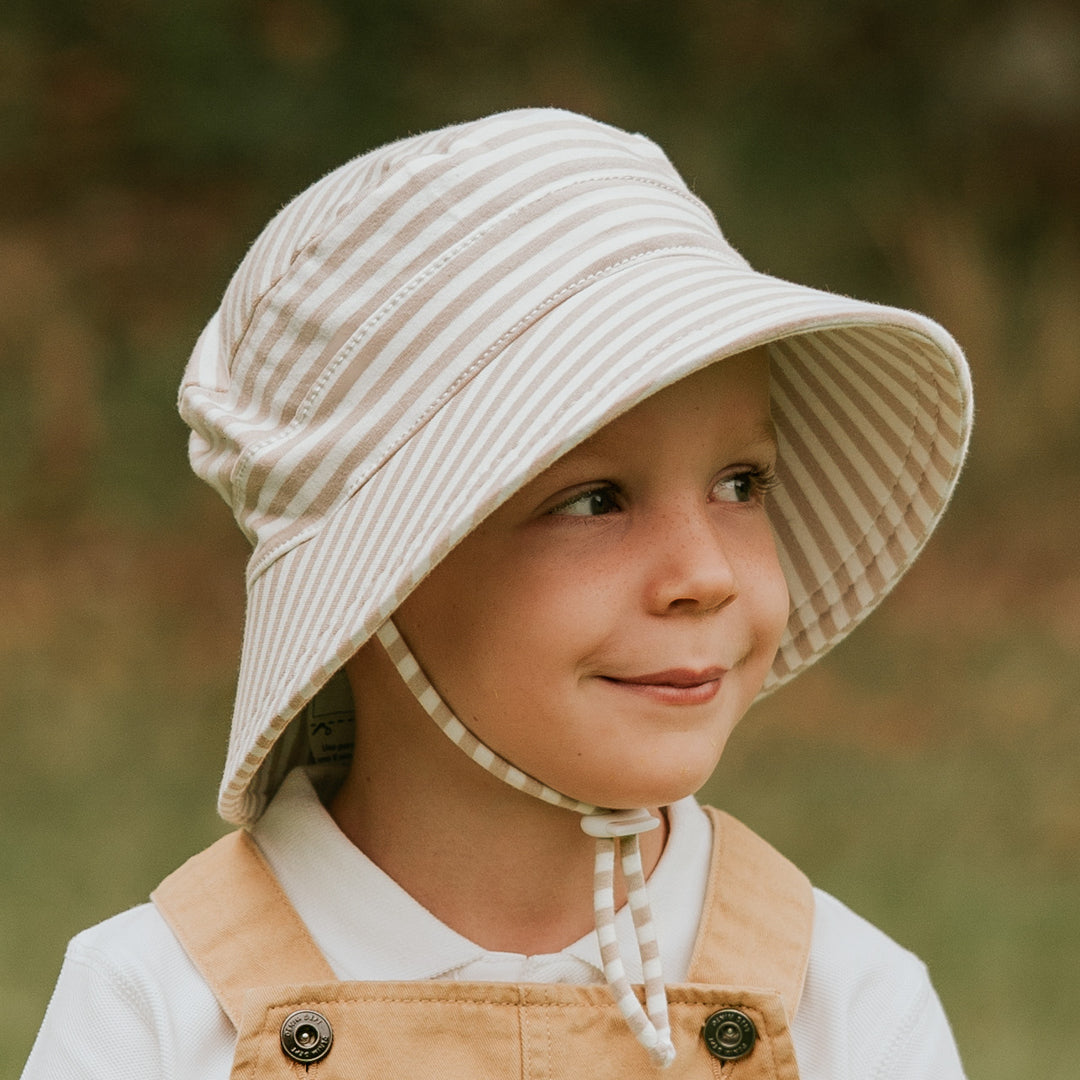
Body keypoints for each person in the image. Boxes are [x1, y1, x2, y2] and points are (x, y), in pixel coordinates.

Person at [22, 108, 972, 1079]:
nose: (707, 574)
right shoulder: (157, 1010)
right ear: (378, 580)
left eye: (741, 484)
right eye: (595, 500)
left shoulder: (842, 1006)